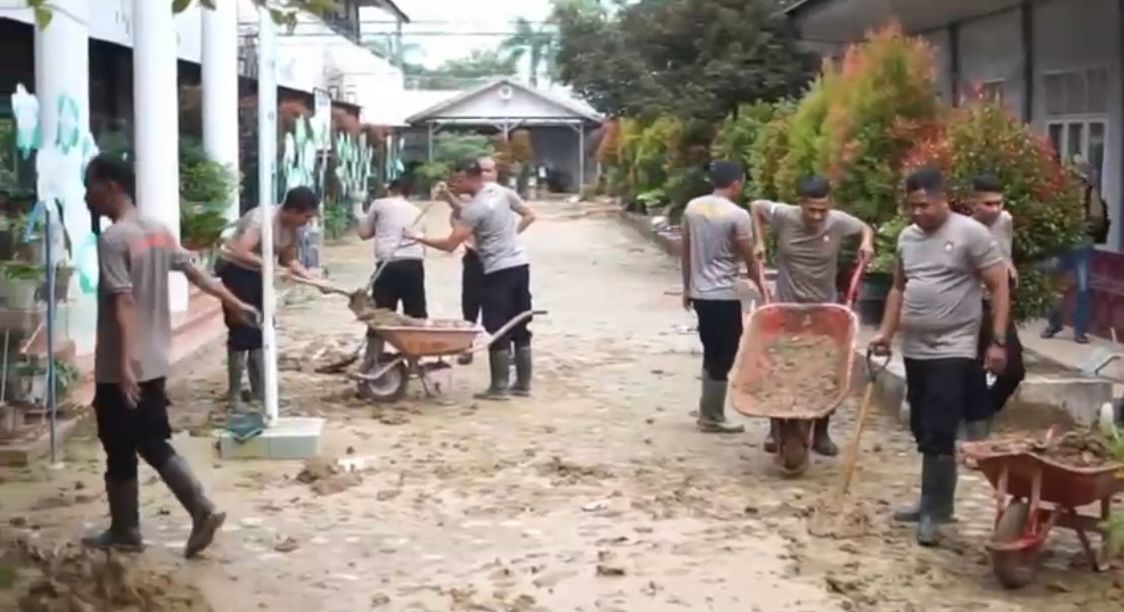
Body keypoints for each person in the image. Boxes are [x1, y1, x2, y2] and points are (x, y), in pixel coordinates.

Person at [81, 153, 260, 558]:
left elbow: (123, 302)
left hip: (121, 365)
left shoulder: (114, 239)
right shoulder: (157, 231)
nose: (86, 197)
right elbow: (196, 272)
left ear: (110, 187)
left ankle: (129, 529)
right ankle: (197, 509)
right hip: (156, 359)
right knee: (150, 438)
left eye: (89, 188)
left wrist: (124, 366)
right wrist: (234, 303)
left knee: (119, 444)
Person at [869, 167, 1010, 546]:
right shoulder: (907, 238)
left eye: (925, 205)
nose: (918, 212)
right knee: (922, 426)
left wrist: (998, 341)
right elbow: (898, 288)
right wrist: (885, 333)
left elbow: (999, 286)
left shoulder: (970, 234)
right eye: (912, 206)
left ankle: (936, 510)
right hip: (915, 349)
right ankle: (932, 501)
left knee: (939, 427)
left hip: (955, 346)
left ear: (943, 199)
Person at [750, 175, 875, 455]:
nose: (818, 216)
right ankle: (777, 428)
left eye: (823, 210)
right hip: (786, 308)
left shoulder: (837, 221)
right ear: (800, 204)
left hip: (824, 310)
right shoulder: (784, 215)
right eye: (812, 210)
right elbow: (756, 206)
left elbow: (864, 227)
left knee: (824, 373)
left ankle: (821, 432)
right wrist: (759, 241)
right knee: (781, 369)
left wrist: (866, 243)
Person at [410, 159, 537, 398]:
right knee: (519, 322)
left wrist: (418, 237)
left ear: (471, 178)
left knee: (496, 325)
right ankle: (523, 383)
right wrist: (510, 237)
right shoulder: (500, 192)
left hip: (497, 270)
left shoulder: (475, 208)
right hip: (520, 264)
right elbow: (527, 215)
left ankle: (499, 386)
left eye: (459, 180)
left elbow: (450, 244)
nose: (456, 184)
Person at [217, 186, 321, 413]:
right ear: (293, 210)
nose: (307, 222)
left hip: (259, 274)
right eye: (306, 216)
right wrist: (270, 266)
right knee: (243, 327)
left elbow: (289, 260)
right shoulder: (261, 219)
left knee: (263, 328)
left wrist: (313, 279)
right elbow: (241, 250)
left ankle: (260, 392)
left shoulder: (293, 228)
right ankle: (234, 395)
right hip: (235, 270)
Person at [681, 161, 767, 434]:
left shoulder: (693, 207)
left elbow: (686, 250)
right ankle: (712, 416)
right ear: (736, 183)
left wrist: (686, 287)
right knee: (726, 353)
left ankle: (708, 407)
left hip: (700, 293)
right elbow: (749, 257)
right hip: (723, 294)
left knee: (712, 349)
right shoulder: (737, 215)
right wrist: (762, 288)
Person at [965, 173, 1025, 440]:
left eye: (999, 203)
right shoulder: (963, 230)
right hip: (971, 305)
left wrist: (1008, 266)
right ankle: (973, 428)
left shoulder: (1005, 220)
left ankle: (983, 413)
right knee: (974, 368)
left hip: (998, 302)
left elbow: (1004, 248)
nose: (996, 209)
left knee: (1013, 370)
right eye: (988, 204)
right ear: (973, 203)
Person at [355, 177, 427, 376]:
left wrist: (357, 210)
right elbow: (423, 244)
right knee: (415, 314)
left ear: (390, 190)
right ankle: (414, 363)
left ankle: (372, 360)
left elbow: (363, 233)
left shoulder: (379, 204)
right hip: (415, 265)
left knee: (379, 315)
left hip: (389, 265)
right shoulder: (418, 211)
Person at [434, 156, 499, 365]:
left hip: (496, 259)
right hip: (473, 257)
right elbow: (462, 214)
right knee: (470, 305)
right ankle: (468, 346)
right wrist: (449, 196)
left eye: (489, 171)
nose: (485, 175)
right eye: (482, 171)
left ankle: (502, 349)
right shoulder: (470, 198)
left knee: (498, 307)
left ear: (496, 174)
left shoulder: (499, 197)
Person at [1041, 156, 1109, 344]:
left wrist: (1080, 225)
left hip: (1081, 246)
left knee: (1083, 288)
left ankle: (1079, 331)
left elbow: (1098, 219)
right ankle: (1054, 324)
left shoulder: (1090, 193)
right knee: (1054, 286)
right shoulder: (1060, 193)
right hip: (1061, 245)